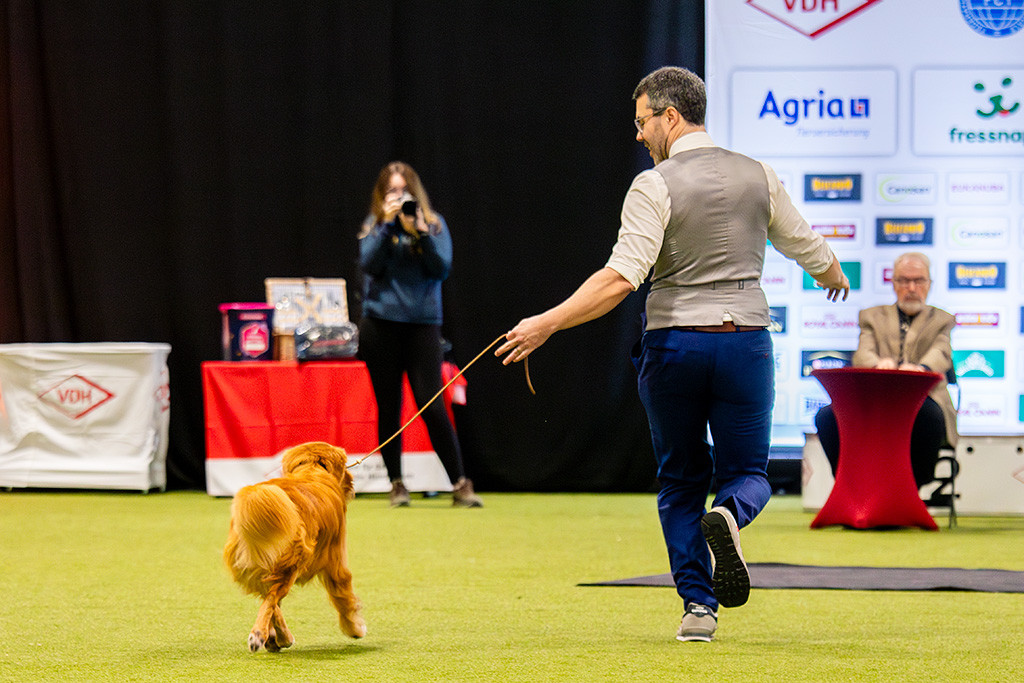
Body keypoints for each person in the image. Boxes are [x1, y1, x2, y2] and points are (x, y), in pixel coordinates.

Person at [496, 66, 848, 642]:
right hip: (745, 343)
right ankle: (731, 516)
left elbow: (620, 279)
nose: (638, 135)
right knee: (748, 473)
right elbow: (804, 243)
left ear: (670, 116)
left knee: (681, 479)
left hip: (675, 345)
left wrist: (547, 323)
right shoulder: (759, 173)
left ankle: (698, 610)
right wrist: (830, 271)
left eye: (642, 122)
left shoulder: (652, 184)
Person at [358, 161, 482, 508]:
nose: (399, 197)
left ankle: (460, 483)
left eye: (404, 190)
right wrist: (386, 226)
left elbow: (441, 268)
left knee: (432, 405)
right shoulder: (375, 225)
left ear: (416, 192)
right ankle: (397, 484)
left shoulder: (434, 224)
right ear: (383, 196)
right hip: (380, 325)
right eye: (392, 191)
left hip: (422, 326)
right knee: (389, 406)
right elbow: (369, 264)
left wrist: (420, 231)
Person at [814, 252, 957, 489]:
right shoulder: (871, 316)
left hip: (926, 399)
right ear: (893, 283)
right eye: (904, 280)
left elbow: (941, 352)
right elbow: (863, 353)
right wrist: (878, 365)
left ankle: (912, 489)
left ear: (929, 284)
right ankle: (850, 486)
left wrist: (920, 369)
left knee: (928, 415)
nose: (911, 287)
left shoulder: (942, 319)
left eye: (919, 281)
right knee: (827, 416)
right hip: (876, 402)